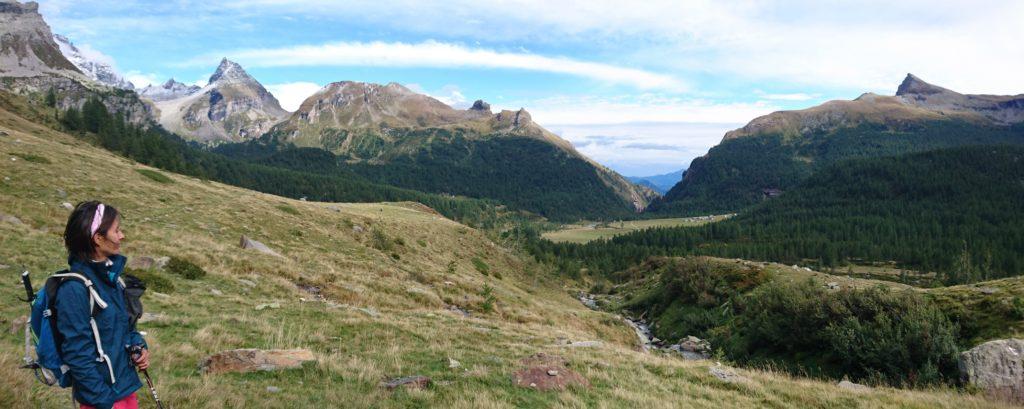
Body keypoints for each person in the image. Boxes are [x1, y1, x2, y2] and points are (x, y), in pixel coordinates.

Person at [58, 201, 149, 409]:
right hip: (103, 399)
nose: (122, 236)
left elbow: (125, 326)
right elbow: (77, 354)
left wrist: (139, 346)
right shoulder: (74, 289)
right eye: (116, 230)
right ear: (98, 239)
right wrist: (103, 401)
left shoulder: (112, 280)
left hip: (124, 389)